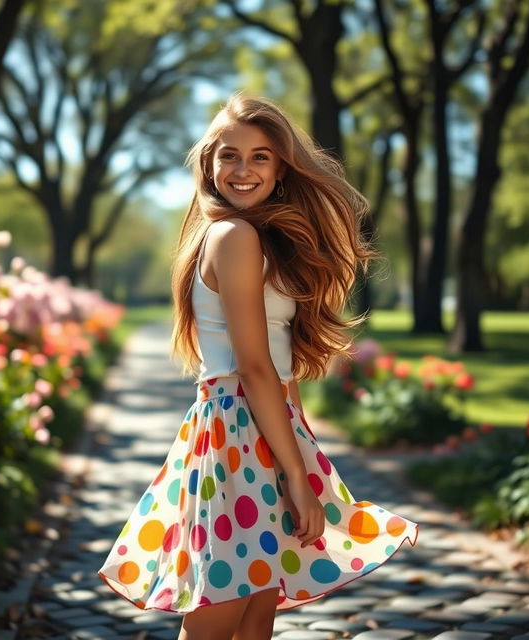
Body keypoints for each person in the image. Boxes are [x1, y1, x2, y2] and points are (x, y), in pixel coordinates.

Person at [97, 93, 419, 640]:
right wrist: (296, 473)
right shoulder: (233, 236)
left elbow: (280, 368)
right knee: (221, 610)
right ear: (209, 163)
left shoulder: (252, 237)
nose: (242, 170)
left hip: (261, 431)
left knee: (254, 618)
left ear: (281, 168)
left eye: (260, 157)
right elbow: (253, 365)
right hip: (237, 434)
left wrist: (299, 450)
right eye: (229, 155)